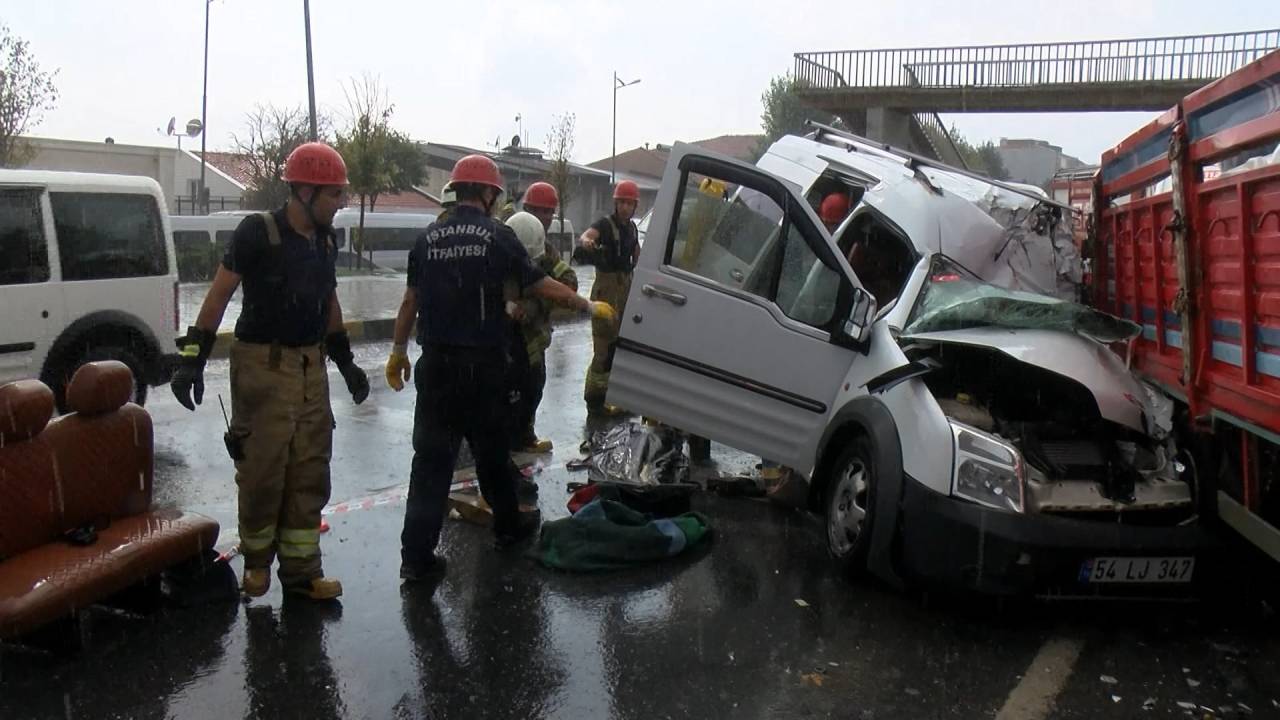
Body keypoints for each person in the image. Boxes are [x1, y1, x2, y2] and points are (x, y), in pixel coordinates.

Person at [385, 154, 614, 582]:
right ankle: (509, 527)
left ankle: (415, 559)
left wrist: (398, 350)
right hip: (482, 367)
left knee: (430, 464)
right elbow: (537, 282)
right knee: (492, 456)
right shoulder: (497, 236)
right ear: (489, 194)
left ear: (456, 192)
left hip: (436, 368)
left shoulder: (427, 239)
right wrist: (584, 304)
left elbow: (409, 301)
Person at [170, 142, 370, 601]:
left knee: (309, 471)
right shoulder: (257, 232)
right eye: (334, 194)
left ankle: (301, 574)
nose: (341, 204)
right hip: (263, 366)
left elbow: (330, 301)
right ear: (304, 191)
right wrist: (192, 361)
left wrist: (346, 363)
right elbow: (219, 294)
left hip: (310, 367)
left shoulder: (325, 240)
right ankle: (257, 565)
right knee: (262, 472)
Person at [507, 211, 576, 453]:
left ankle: (524, 436)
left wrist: (535, 305)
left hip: (533, 337)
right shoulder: (495, 251)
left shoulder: (545, 253)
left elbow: (568, 282)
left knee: (533, 386)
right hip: (502, 341)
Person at [577, 180, 641, 412]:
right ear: (616, 204)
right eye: (622, 202)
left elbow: (637, 256)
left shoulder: (632, 229)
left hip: (625, 287)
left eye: (629, 203)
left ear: (635, 206)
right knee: (602, 348)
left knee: (618, 346)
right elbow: (587, 236)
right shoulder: (604, 225)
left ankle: (611, 396)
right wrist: (587, 242)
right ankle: (594, 399)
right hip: (606, 289)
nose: (625, 207)